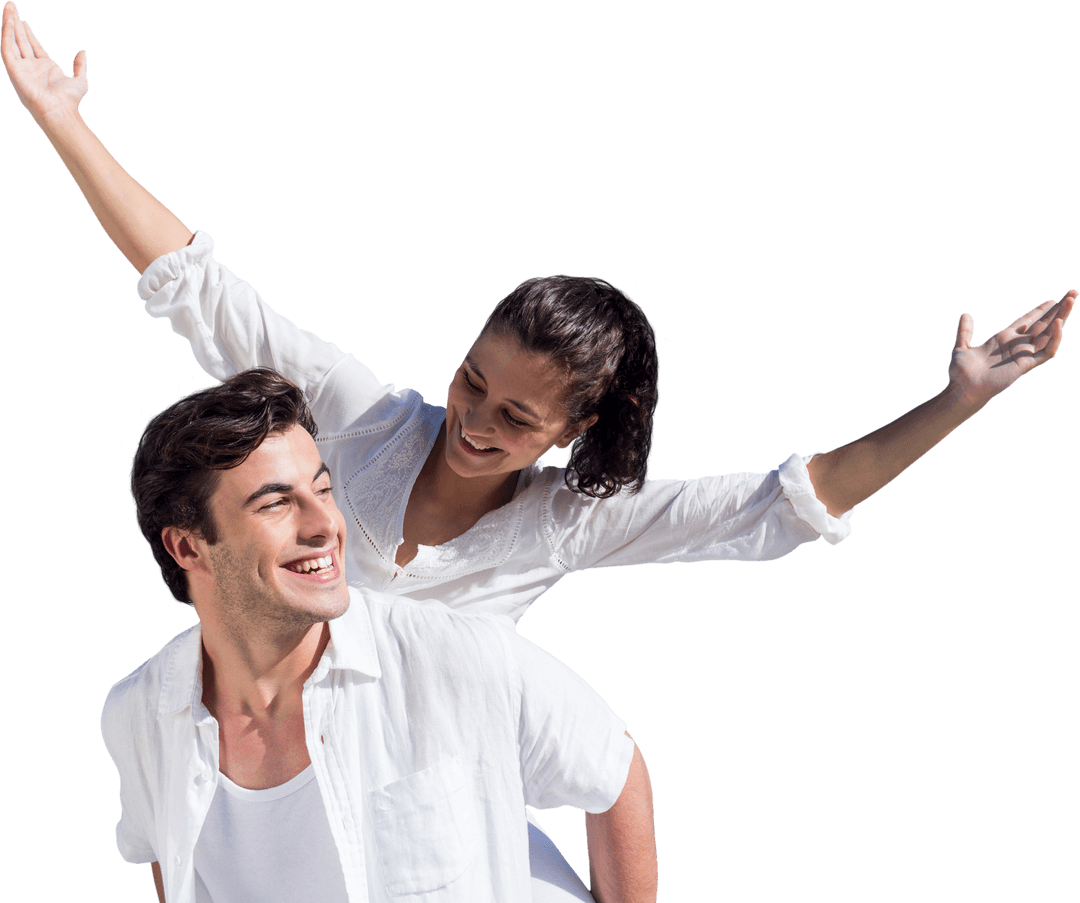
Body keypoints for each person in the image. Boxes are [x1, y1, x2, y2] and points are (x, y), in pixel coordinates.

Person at [3, 2, 1074, 899]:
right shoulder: (361, 418)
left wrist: (957, 404)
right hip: (292, 800)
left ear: (574, 433)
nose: (475, 421)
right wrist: (61, 123)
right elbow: (199, 288)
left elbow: (780, 507)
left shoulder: (571, 520)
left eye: (517, 419)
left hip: (443, 838)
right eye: (474, 380)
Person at [103, 366, 656, 903]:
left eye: (323, 490)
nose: (324, 525)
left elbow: (614, 769)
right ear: (187, 547)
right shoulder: (140, 715)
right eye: (274, 503)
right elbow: (170, 859)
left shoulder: (454, 656)